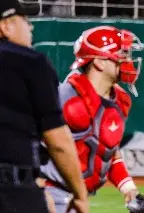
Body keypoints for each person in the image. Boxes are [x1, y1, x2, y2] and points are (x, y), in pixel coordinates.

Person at [40, 25, 144, 212]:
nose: (128, 61)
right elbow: (27, 144)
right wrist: (37, 189)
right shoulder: (66, 97)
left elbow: (107, 150)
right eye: (122, 55)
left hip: (77, 198)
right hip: (50, 195)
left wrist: (128, 188)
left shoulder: (118, 101)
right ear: (99, 62)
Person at [0, 1, 89, 213]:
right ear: (5, 26)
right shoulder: (30, 62)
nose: (30, 27)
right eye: (25, 20)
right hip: (13, 193)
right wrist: (79, 194)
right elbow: (57, 140)